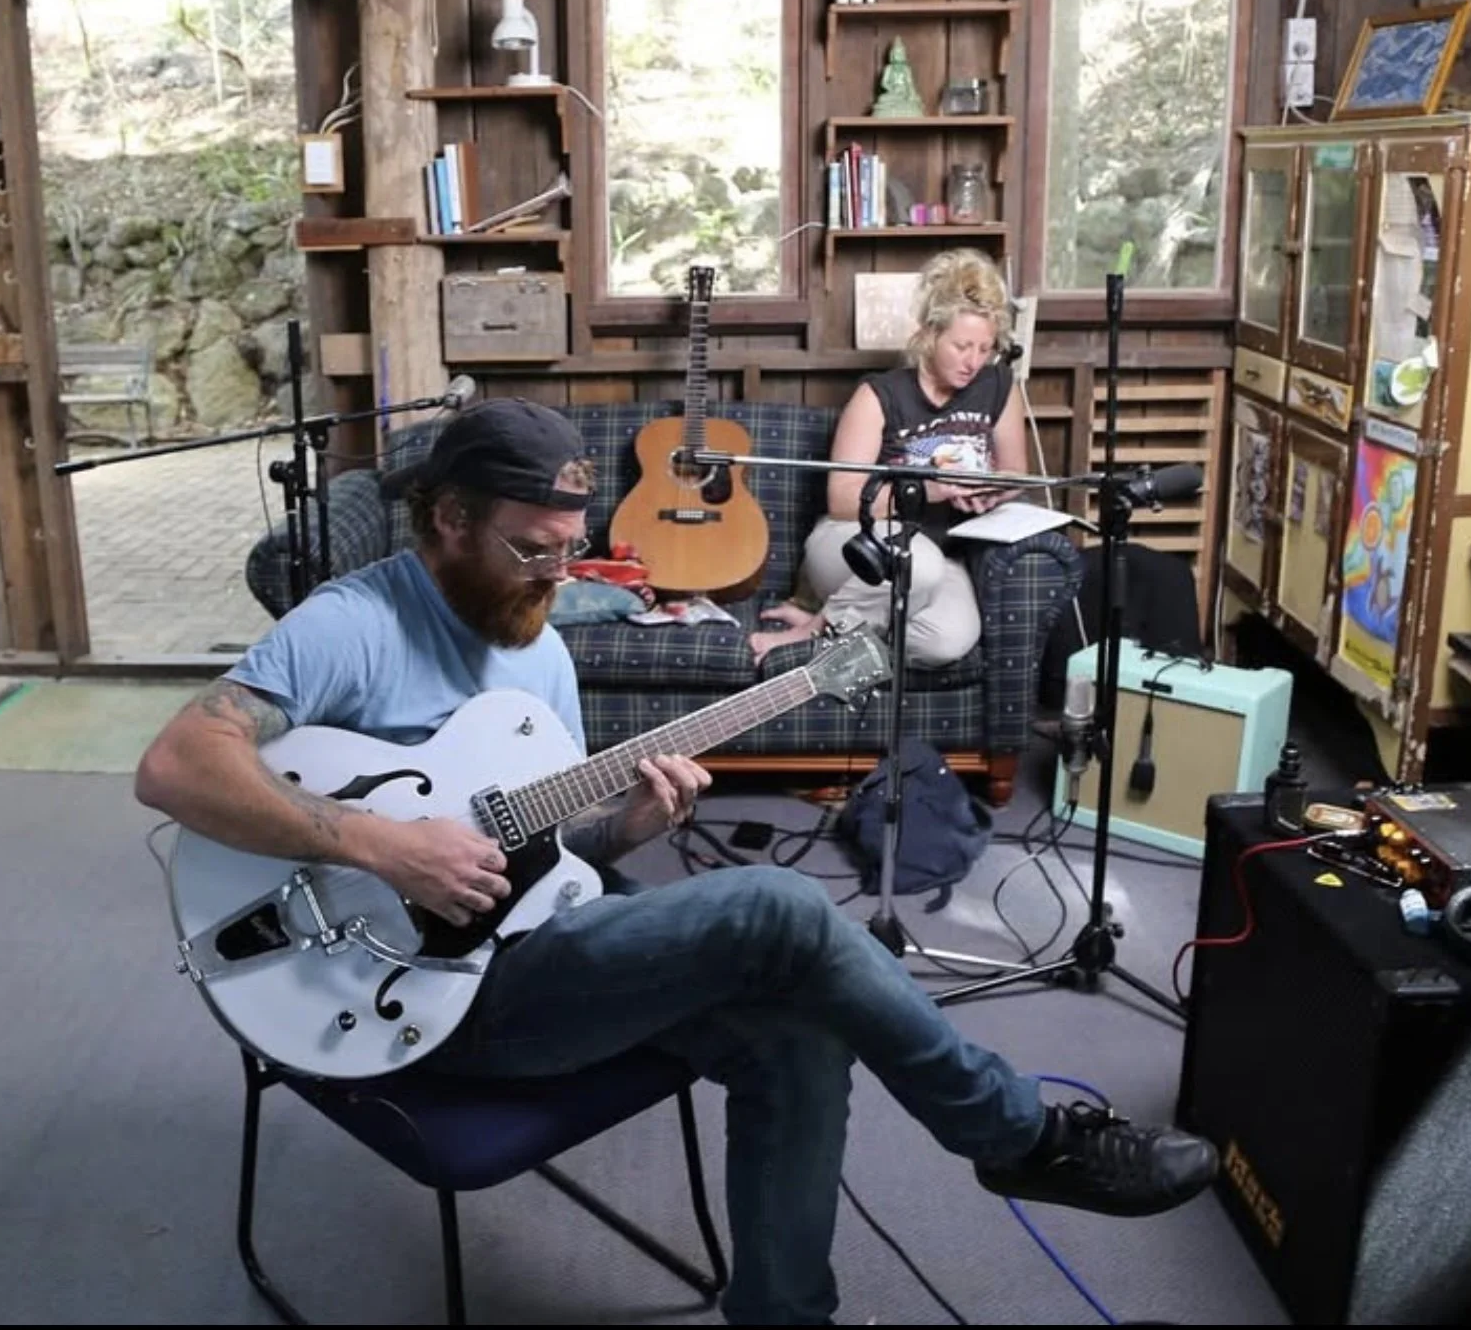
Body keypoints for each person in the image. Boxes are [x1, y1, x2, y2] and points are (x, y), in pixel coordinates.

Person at [135, 396, 1216, 1327]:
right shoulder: (351, 624)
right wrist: (380, 842)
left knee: (795, 1035)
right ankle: (1017, 1133)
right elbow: (177, 766)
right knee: (779, 909)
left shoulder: (538, 646)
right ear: (449, 519)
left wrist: (627, 828)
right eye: (531, 548)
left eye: (570, 549)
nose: (557, 574)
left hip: (524, 953)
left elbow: (547, 850)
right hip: (399, 997)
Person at [751, 248, 1029, 669]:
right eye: (961, 346)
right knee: (920, 565)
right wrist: (928, 491)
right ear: (929, 333)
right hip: (854, 542)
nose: (973, 361)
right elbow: (843, 500)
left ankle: (837, 636)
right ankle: (812, 634)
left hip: (938, 554)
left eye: (984, 348)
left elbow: (1016, 474)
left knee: (946, 641)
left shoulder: (999, 387)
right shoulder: (879, 394)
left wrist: (993, 494)